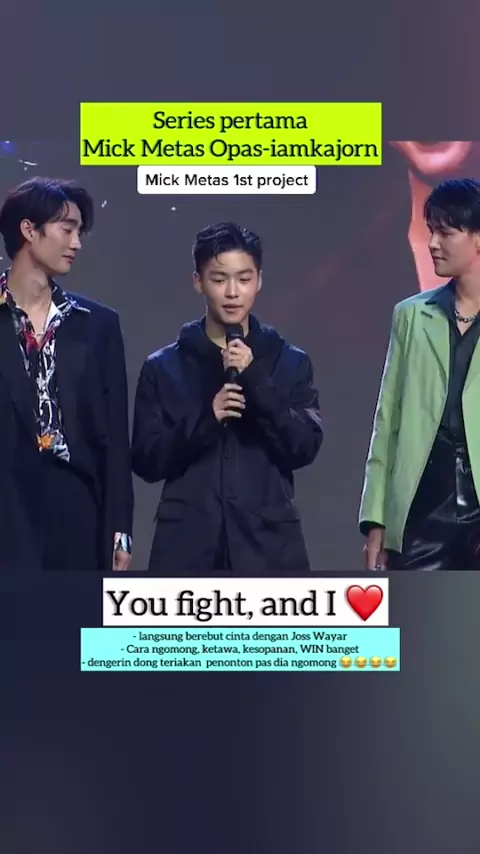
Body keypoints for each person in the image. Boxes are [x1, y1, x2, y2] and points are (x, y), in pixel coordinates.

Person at [132, 221, 323, 575]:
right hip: (187, 551)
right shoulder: (164, 367)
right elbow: (146, 459)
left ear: (259, 281)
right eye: (219, 279)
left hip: (268, 550)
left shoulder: (289, 361)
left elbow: (304, 446)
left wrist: (255, 379)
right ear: (198, 282)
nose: (233, 292)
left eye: (244, 279)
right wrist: (207, 418)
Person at [0, 176, 133, 571]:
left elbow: (114, 440)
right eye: (67, 229)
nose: (77, 243)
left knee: (71, 610)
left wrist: (120, 531)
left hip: (75, 507)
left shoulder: (98, 325)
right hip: (7, 503)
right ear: (29, 230)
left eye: (79, 232)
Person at [359, 178, 480, 570]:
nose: (432, 243)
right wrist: (376, 520)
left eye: (446, 233)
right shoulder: (411, 315)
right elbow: (387, 423)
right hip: (423, 509)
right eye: (431, 231)